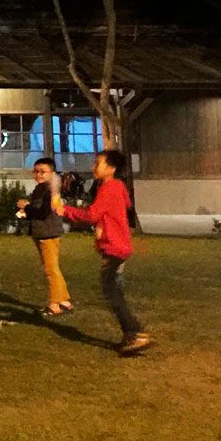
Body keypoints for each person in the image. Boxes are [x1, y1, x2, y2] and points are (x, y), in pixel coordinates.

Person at [62, 150, 150, 355]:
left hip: (115, 247)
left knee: (112, 291)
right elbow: (108, 213)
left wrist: (64, 210)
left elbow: (91, 215)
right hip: (117, 246)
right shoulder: (115, 187)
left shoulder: (110, 187)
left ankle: (136, 333)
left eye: (98, 163)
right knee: (114, 290)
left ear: (111, 168)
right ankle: (131, 336)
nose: (93, 167)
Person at [16, 158, 72, 315]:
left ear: (52, 173)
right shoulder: (40, 189)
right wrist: (26, 211)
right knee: (53, 268)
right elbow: (37, 213)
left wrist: (26, 206)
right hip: (42, 232)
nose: (38, 175)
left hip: (48, 233)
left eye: (43, 172)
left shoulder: (50, 190)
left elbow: (43, 213)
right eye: (36, 171)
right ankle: (64, 300)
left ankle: (54, 304)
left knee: (50, 270)